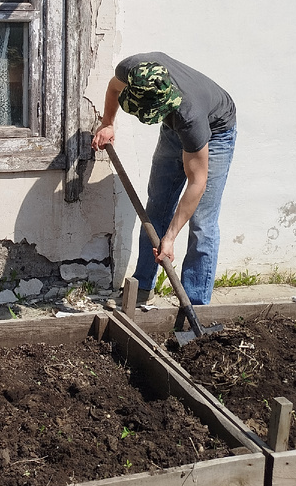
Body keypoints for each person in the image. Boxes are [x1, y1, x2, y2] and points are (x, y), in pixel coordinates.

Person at [92, 54, 236, 306]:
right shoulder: (130, 69)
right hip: (174, 128)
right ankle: (142, 289)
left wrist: (169, 239)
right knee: (157, 206)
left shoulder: (190, 117)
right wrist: (107, 123)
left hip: (215, 131)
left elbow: (197, 183)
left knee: (202, 219)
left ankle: (194, 303)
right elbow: (114, 88)